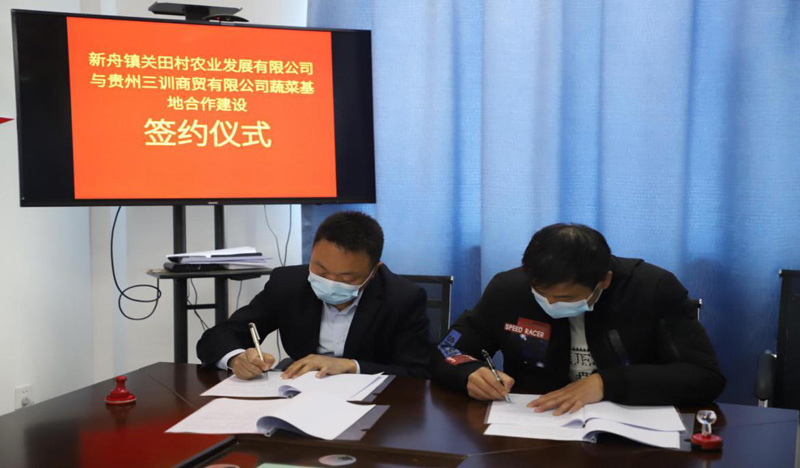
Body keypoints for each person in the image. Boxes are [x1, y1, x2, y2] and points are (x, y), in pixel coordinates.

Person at [431, 223, 725, 415]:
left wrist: (606, 383)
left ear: (604, 280)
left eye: (566, 297)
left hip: (629, 433)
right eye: (540, 293)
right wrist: (468, 372)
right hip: (536, 426)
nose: (550, 303)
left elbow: (704, 377)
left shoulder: (652, 289)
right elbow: (447, 348)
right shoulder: (508, 289)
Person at [198, 211, 430, 379]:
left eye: (346, 277)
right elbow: (220, 336)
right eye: (321, 269)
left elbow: (416, 371)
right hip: (299, 393)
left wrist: (351, 366)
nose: (331, 282)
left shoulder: (402, 297)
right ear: (312, 253)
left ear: (374, 270)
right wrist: (236, 358)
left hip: (372, 403)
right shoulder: (287, 284)